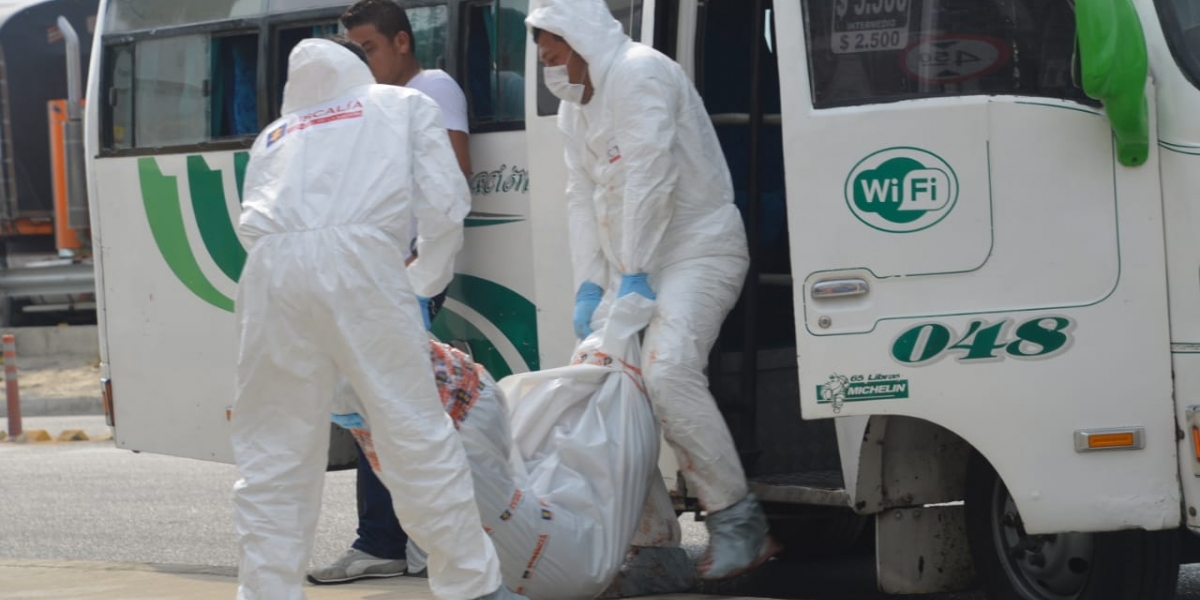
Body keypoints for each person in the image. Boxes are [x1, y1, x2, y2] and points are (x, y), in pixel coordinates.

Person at [230, 37, 526, 600]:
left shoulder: (274, 133)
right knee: (413, 432)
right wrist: (422, 280)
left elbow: (255, 221)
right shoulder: (403, 103)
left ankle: (265, 592)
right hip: (362, 264)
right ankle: (472, 587)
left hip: (270, 274)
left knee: (272, 450)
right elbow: (444, 201)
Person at [525, 0, 779, 581]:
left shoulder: (639, 73)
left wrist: (632, 270)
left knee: (668, 373)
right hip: (631, 266)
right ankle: (655, 548)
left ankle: (740, 523)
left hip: (697, 249)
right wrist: (593, 283)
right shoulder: (576, 108)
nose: (550, 66)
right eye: (543, 54)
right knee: (603, 389)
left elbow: (650, 174)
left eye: (557, 51)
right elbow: (580, 196)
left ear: (583, 39)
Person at [307, 0, 476, 585]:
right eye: (354, 50)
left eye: (371, 47)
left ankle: (417, 539)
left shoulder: (431, 87)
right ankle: (388, 539)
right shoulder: (372, 104)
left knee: (399, 410)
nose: (363, 59)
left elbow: (452, 177)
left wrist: (418, 260)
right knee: (375, 409)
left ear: (403, 42)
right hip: (373, 278)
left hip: (405, 278)